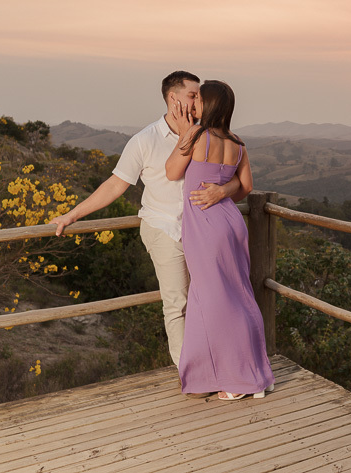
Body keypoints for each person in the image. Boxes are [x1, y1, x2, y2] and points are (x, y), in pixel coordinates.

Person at [49, 71, 244, 369]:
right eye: (193, 96)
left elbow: (234, 180)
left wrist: (223, 190)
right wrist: (72, 215)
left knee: (206, 301)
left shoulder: (208, 135)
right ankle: (189, 372)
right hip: (166, 228)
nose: (197, 102)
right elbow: (115, 185)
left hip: (203, 233)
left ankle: (215, 367)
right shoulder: (145, 140)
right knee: (178, 304)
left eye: (200, 97)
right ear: (173, 98)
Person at [165, 80, 274, 400]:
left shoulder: (199, 135)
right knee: (236, 294)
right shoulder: (237, 142)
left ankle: (241, 380)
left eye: (198, 98)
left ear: (209, 105)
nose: (193, 102)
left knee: (217, 301)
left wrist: (186, 131)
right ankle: (249, 373)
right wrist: (222, 190)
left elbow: (172, 171)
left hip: (205, 227)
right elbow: (246, 187)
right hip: (230, 222)